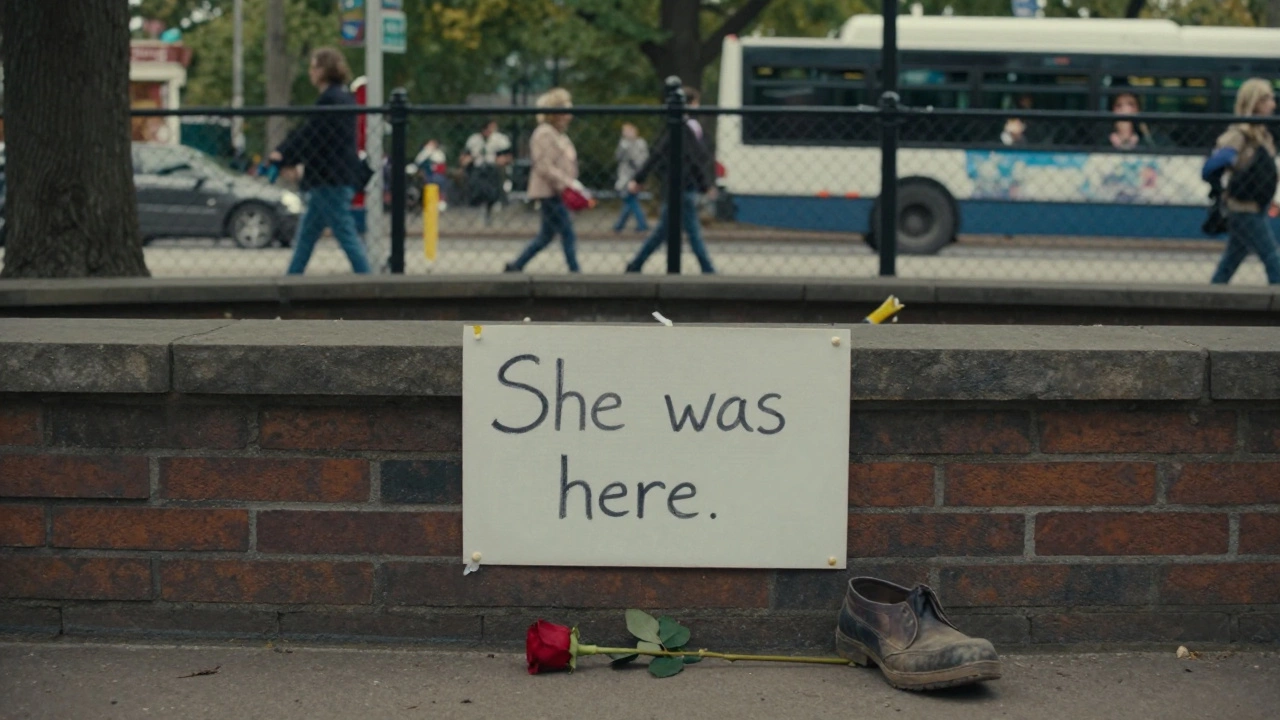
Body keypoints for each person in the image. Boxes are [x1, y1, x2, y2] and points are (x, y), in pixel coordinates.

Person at [270, 47, 371, 275]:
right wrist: (288, 154)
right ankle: (291, 280)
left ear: (324, 69)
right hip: (333, 177)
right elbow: (311, 134)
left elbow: (310, 136)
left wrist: (283, 155)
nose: (311, 72)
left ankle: (369, 281)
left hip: (329, 180)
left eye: (314, 66)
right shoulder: (341, 99)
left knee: (345, 234)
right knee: (307, 235)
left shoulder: (330, 100)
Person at [623, 85, 716, 274]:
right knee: (691, 232)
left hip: (677, 186)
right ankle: (708, 270)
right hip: (685, 186)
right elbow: (694, 159)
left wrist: (639, 179)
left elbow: (657, 154)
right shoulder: (686, 128)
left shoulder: (678, 127)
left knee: (663, 231)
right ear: (692, 104)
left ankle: (636, 264)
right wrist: (705, 185)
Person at [1203, 78, 1280, 284]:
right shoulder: (1240, 134)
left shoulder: (1263, 134)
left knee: (1231, 261)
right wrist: (1228, 161)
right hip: (1244, 208)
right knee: (1272, 258)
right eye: (1268, 99)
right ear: (1255, 103)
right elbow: (1211, 166)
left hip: (1257, 206)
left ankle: (1212, 298)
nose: (1273, 104)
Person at [503, 88, 584, 273]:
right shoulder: (544, 133)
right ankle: (575, 271)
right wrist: (566, 183)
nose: (570, 114)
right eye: (566, 109)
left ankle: (516, 265)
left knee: (546, 235)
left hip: (558, 191)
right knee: (567, 232)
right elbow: (544, 166)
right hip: (550, 191)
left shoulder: (558, 134)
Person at [461, 119, 513, 225]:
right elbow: (465, 156)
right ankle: (479, 203)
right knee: (477, 180)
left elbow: (508, 156)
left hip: (494, 167)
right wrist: (468, 159)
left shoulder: (500, 140)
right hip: (477, 167)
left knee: (493, 181)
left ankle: (492, 204)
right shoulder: (474, 140)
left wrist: (501, 160)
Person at [613, 123, 650, 232]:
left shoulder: (640, 143)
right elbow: (617, 157)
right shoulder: (623, 143)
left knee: (631, 201)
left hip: (636, 176)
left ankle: (641, 224)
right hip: (625, 176)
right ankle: (619, 225)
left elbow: (644, 158)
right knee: (630, 200)